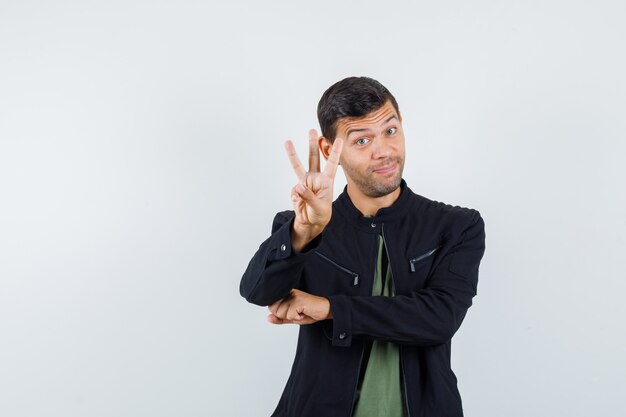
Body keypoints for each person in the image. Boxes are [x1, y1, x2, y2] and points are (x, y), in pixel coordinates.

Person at [240, 76, 486, 417]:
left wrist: (330, 308)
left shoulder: (456, 226)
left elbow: (440, 318)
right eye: (362, 140)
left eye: (390, 130)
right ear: (330, 150)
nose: (383, 150)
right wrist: (304, 230)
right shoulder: (302, 224)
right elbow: (257, 291)